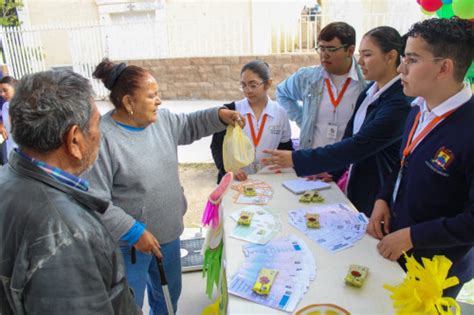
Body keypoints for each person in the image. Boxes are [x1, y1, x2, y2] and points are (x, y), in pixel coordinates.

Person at [85, 59, 244, 314]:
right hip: (129, 245)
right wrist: (134, 233)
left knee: (169, 295)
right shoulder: (104, 138)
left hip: (168, 234)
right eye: (152, 95)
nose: (159, 101)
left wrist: (219, 115)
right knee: (129, 303)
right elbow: (97, 201)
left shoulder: (163, 121)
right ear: (128, 102)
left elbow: (191, 124)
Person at [0, 70, 140, 314]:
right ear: (74, 140)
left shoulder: (8, 179)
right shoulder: (67, 231)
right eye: (97, 124)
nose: (100, 134)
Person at [366, 17, 474, 298]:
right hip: (397, 249)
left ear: (444, 68)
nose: (400, 68)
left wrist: (413, 236)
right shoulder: (417, 108)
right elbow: (404, 163)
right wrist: (383, 198)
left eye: (411, 60)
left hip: (437, 270)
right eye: (403, 58)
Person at [261, 26, 411, 216]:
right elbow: (351, 133)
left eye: (367, 55)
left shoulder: (399, 103)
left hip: (376, 195)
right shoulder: (370, 91)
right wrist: (334, 170)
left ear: (390, 57)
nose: (360, 61)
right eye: (321, 48)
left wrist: (295, 159)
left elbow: (359, 145)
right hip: (351, 182)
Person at [276, 21, 367, 151]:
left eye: (331, 49)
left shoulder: (366, 84)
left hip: (347, 165)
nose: (324, 54)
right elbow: (281, 93)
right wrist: (304, 120)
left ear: (350, 50)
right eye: (321, 48)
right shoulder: (307, 78)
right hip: (312, 160)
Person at [210, 60, 293, 182]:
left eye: (253, 85)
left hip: (268, 179)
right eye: (243, 85)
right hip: (236, 180)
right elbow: (216, 146)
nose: (247, 90)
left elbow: (285, 148)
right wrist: (229, 169)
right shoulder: (230, 110)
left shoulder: (280, 113)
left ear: (268, 83)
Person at [0, 76, 18, 162]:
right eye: (0, 91)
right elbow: (5, 121)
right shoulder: (5, 106)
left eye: (5, 90)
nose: (2, 94)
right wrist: (2, 125)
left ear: (15, 88)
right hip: (11, 153)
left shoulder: (26, 107)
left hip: (25, 155)